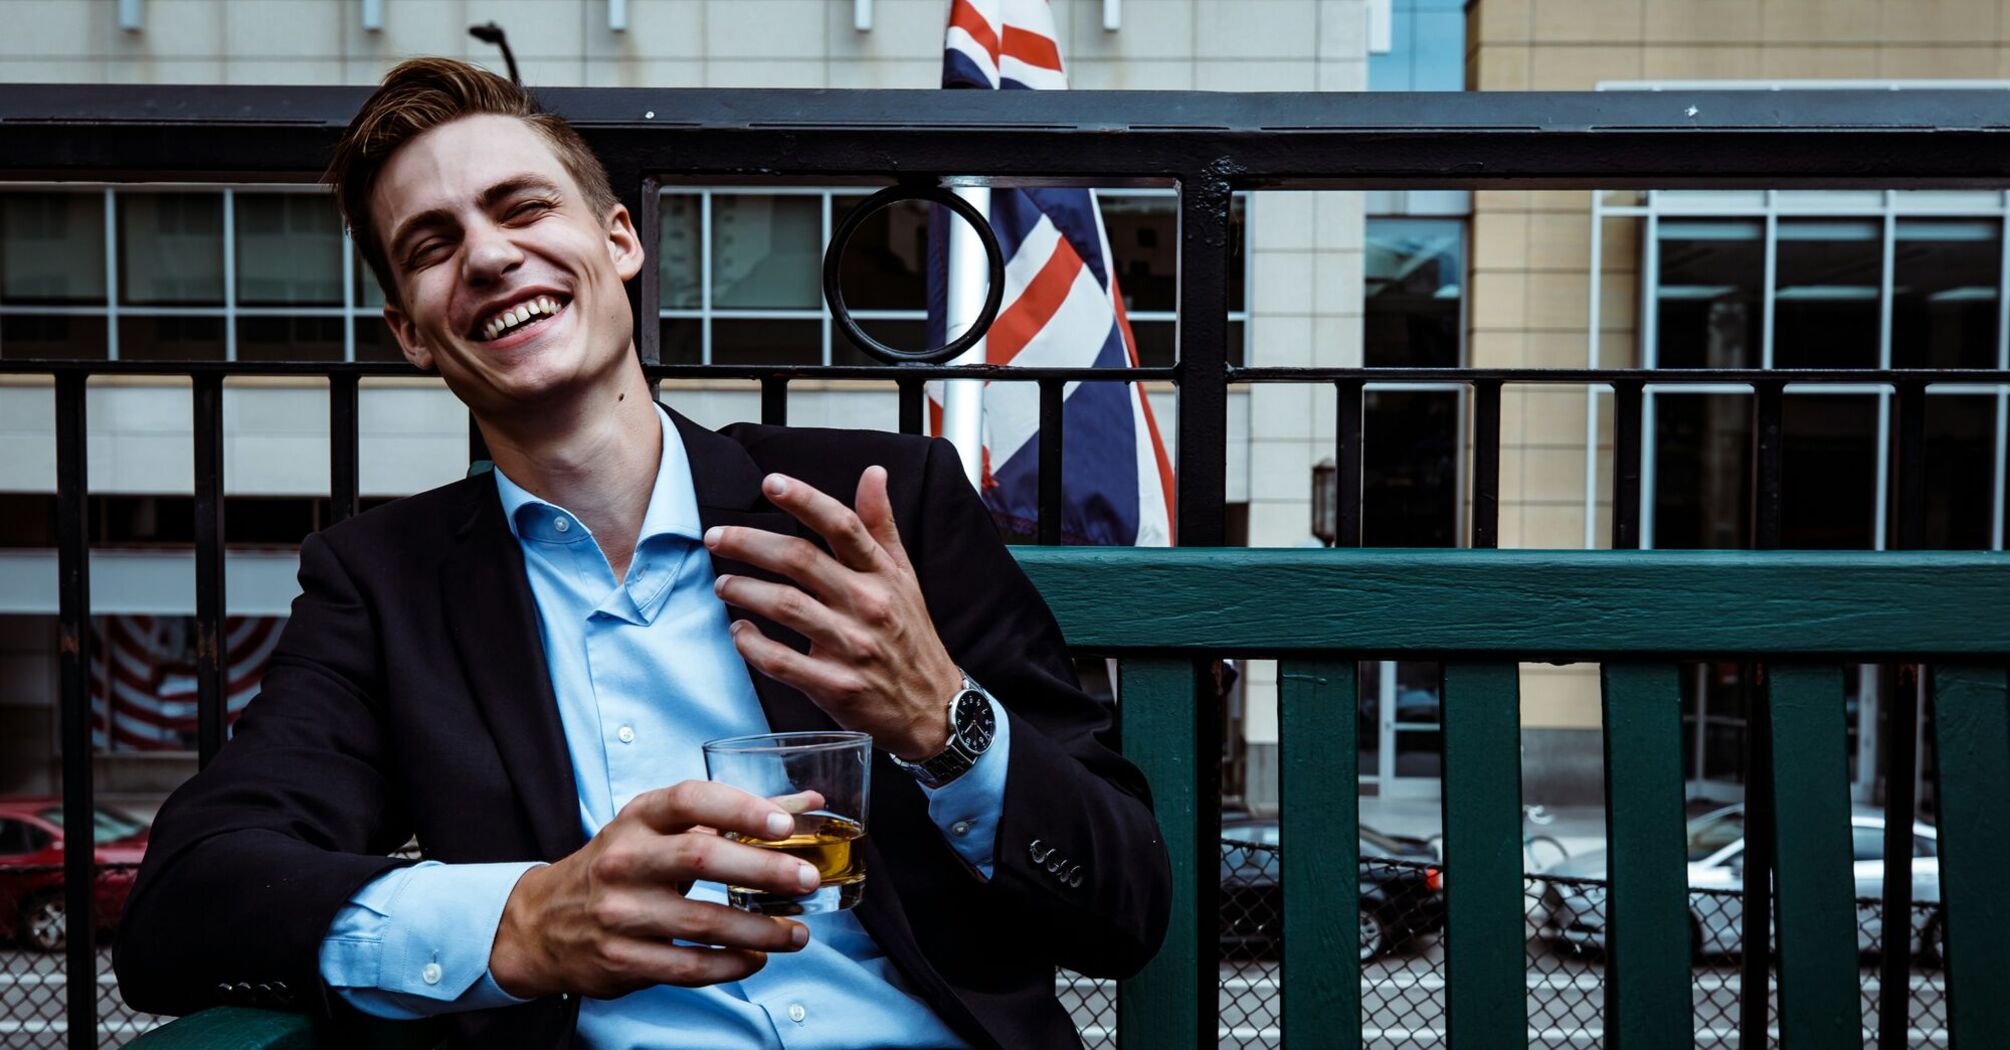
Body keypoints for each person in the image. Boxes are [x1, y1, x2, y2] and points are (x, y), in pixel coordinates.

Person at [114, 57, 1169, 1050]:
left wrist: (945, 721)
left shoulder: (881, 508)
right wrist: (521, 921)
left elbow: (1127, 904)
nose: (486, 255)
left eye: (523, 208)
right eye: (433, 246)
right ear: (411, 333)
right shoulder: (383, 586)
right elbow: (184, 909)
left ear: (619, 239)